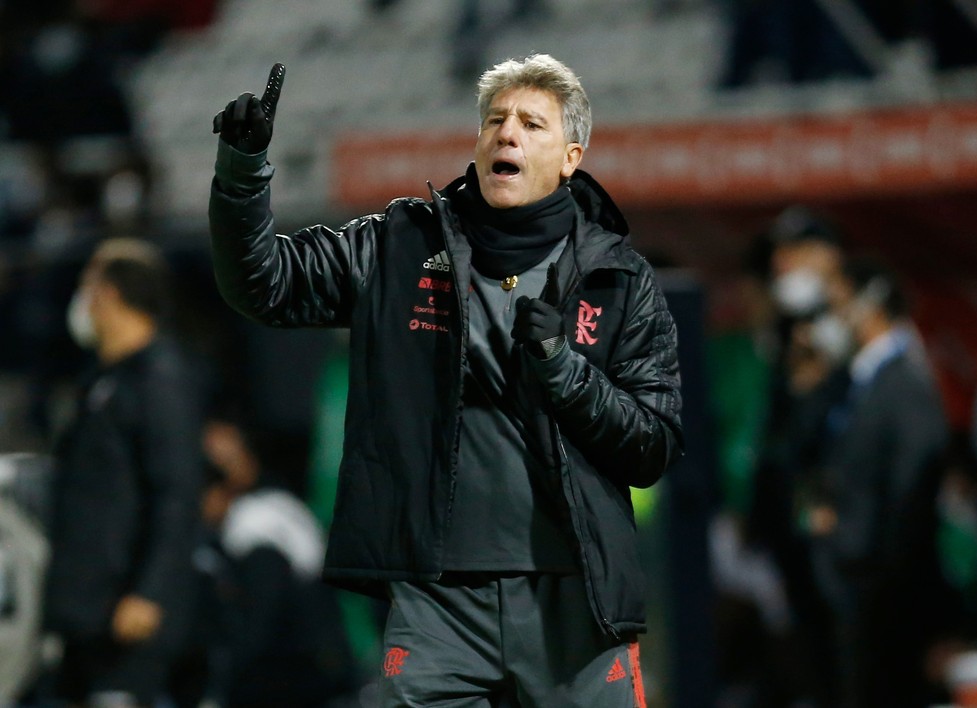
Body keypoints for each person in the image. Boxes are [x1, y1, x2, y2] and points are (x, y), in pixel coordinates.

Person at [208, 54, 684, 706]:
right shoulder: (400, 245)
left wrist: (562, 368)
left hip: (574, 596)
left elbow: (652, 444)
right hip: (440, 604)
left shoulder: (621, 279)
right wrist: (242, 172)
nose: (506, 134)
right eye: (494, 120)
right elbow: (265, 283)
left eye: (530, 123)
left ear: (571, 156)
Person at [41, 238, 205, 708]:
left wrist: (149, 593)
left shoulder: (161, 380)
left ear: (109, 293)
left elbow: (177, 495)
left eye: (87, 284)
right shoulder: (104, 380)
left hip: (127, 616)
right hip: (88, 612)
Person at [805, 256, 950, 708]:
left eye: (839, 304)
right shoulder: (859, 382)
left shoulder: (903, 384)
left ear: (871, 306)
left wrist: (875, 568)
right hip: (858, 591)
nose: (830, 320)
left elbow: (912, 495)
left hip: (882, 597)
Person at [193, 414, 360, 708]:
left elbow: (262, 616)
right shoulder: (270, 506)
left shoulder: (255, 523)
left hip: (300, 674)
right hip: (317, 662)